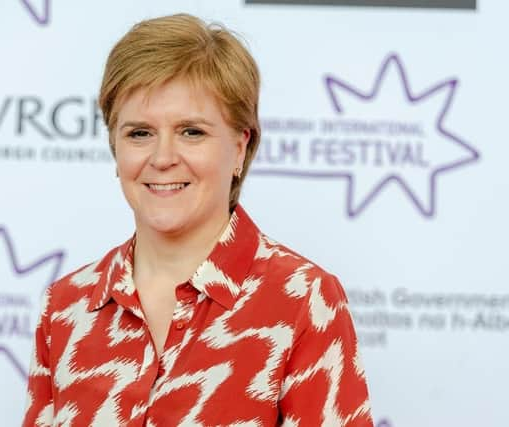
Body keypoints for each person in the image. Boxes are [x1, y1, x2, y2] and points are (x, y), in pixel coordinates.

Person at [22, 13, 372, 427]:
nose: (163, 157)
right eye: (139, 133)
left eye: (191, 132)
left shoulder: (303, 300)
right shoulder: (67, 306)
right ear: (115, 147)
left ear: (240, 148)